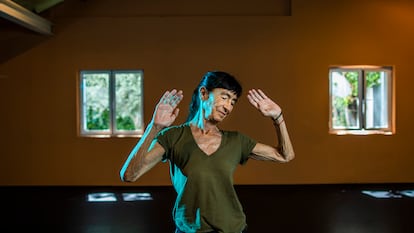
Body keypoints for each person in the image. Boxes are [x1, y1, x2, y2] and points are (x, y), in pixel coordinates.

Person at [120, 71, 295, 233]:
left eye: (233, 102)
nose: (228, 107)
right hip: (189, 229)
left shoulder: (236, 141)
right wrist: (154, 127)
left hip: (231, 228)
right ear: (204, 94)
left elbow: (285, 155)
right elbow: (129, 175)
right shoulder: (173, 137)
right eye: (225, 97)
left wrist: (278, 117)